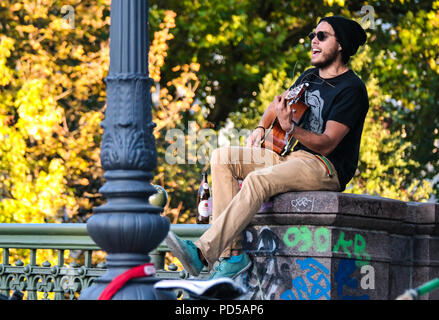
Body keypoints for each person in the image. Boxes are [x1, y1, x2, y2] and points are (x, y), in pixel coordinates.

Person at [166, 16, 369, 279]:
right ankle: (232, 256)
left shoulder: (352, 89)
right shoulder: (309, 76)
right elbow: (277, 105)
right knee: (222, 157)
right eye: (312, 36)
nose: (313, 41)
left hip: (325, 166)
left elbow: (328, 143)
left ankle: (203, 252)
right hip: (293, 157)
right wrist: (262, 128)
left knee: (258, 180)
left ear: (340, 44)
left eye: (322, 36)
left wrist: (291, 129)